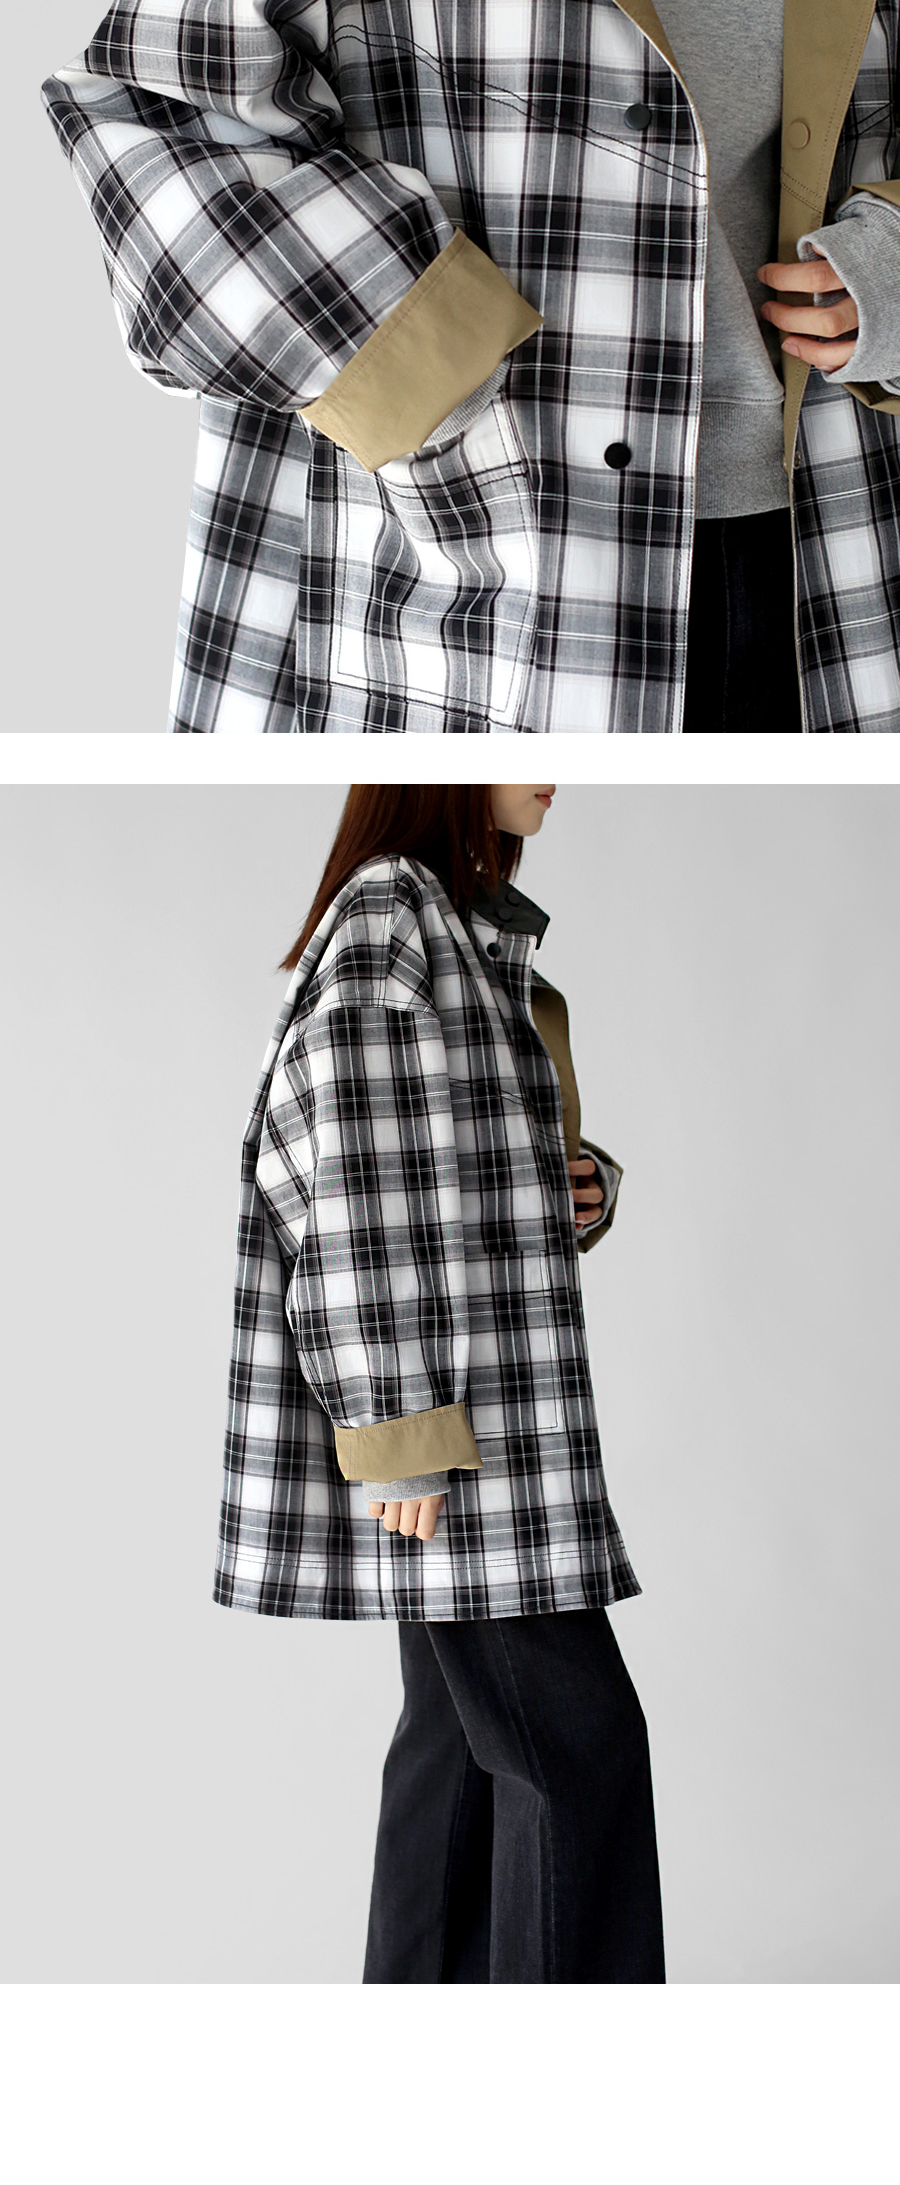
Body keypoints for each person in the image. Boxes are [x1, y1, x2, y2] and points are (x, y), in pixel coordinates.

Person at [41, 0, 900, 735]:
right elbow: (158, 110)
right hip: (469, 597)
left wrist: (888, 272)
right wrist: (416, 351)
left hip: (822, 593)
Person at [216, 773, 664, 1984]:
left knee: (458, 1752)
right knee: (576, 1749)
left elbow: (441, 1163)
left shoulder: (450, 923)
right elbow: (343, 1180)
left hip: (479, 1411)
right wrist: (398, 1423)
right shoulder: (392, 917)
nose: (555, 765)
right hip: (459, 1430)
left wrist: (575, 1181)